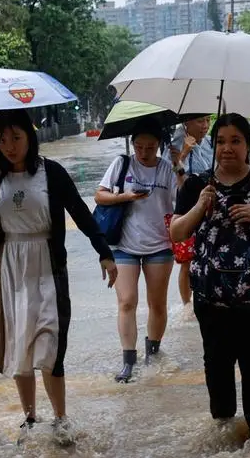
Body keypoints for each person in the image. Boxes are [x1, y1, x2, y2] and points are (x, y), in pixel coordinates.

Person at [0, 109, 118, 445]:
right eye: (2, 139)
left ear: (30, 137)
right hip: (11, 268)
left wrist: (105, 252)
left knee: (51, 344)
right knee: (20, 345)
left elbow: (80, 213)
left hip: (48, 265)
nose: (9, 146)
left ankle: (61, 418)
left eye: (16, 138)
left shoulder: (51, 173)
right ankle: (29, 417)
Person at [170, 113, 250, 436]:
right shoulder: (198, 184)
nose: (227, 148)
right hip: (211, 302)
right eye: (221, 141)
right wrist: (200, 207)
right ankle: (223, 436)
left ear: (248, 145)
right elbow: (177, 232)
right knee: (217, 368)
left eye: (235, 141)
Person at [95, 118, 183, 383]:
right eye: (139, 146)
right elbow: (100, 195)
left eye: (151, 146)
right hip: (124, 245)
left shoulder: (167, 169)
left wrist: (179, 164)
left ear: (160, 146)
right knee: (126, 301)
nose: (144, 152)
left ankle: (152, 354)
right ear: (133, 144)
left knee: (157, 304)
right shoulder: (122, 164)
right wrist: (125, 197)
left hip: (160, 245)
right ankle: (128, 362)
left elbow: (184, 198)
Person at [168, 114, 213, 311]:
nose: (205, 126)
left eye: (208, 120)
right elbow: (171, 179)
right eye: (200, 121)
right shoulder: (174, 145)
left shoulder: (211, 143)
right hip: (186, 209)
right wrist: (184, 152)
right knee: (187, 260)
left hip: (210, 206)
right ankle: (187, 306)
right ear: (187, 122)